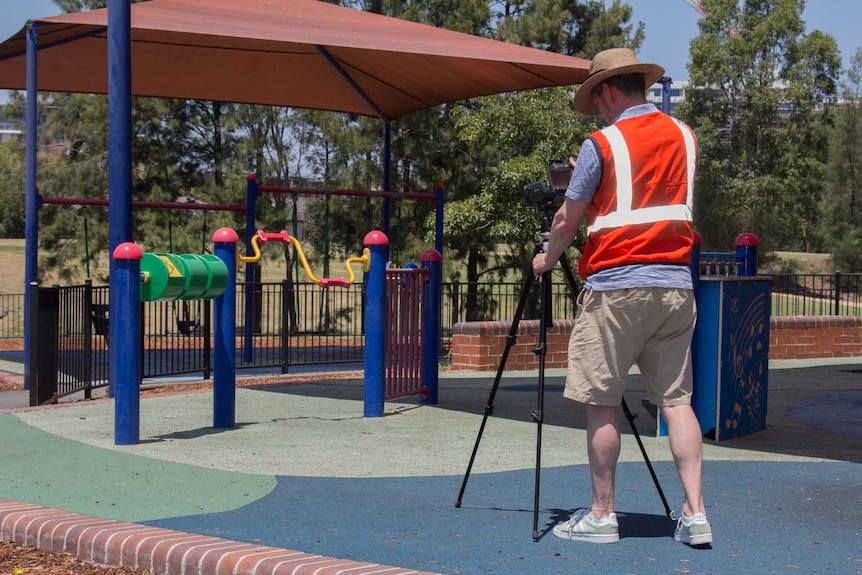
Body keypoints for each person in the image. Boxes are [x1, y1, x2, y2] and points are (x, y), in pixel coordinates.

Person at [531, 48, 711, 546]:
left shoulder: (602, 143)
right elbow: (653, 195)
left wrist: (546, 258)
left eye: (599, 101)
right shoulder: (685, 136)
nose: (600, 112)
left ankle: (602, 516)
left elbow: (568, 221)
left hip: (617, 288)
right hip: (675, 285)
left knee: (602, 403)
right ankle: (695, 516)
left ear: (608, 90)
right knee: (677, 401)